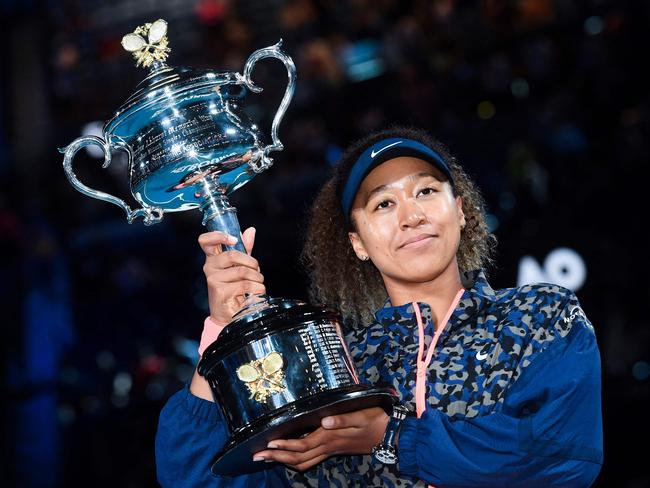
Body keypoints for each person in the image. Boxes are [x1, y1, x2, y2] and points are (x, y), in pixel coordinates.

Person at [156, 126, 603, 487]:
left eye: (426, 192)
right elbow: (196, 480)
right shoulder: (333, 369)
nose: (411, 216)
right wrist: (224, 332)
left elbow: (560, 457)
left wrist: (390, 437)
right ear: (358, 243)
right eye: (384, 203)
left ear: (462, 211)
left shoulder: (539, 316)